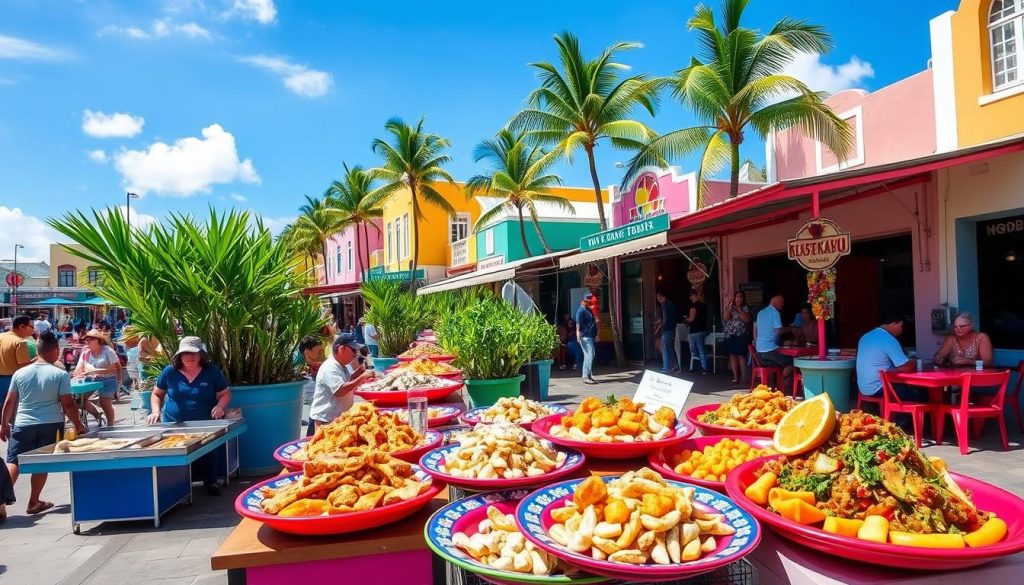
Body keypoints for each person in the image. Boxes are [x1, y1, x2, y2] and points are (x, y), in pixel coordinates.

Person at [1, 332, 87, 516]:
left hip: (22, 423)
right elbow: (68, 403)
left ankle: (1, 497)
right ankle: (33, 502)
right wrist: (78, 425)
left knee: (13, 461)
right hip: (50, 423)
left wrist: (4, 425)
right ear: (55, 351)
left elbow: (9, 402)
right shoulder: (59, 374)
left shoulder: (19, 373)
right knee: (41, 463)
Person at [147, 337, 231, 495]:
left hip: (205, 424)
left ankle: (210, 482)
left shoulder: (211, 371)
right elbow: (157, 394)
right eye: (185, 353)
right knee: (176, 454)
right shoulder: (169, 372)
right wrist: (155, 411)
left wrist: (220, 406)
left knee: (208, 453)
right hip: (174, 424)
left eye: (193, 353)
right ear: (179, 356)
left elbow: (224, 394)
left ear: (201, 355)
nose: (189, 357)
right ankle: (176, 488)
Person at [308, 333, 375, 434]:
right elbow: (340, 390)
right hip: (325, 422)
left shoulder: (341, 365)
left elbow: (346, 382)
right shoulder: (330, 367)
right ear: (342, 349)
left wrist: (357, 374)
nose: (355, 355)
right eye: (353, 350)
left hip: (336, 420)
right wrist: (362, 377)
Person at [856, 311, 917, 399]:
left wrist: (896, 368)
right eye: (901, 326)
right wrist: (914, 362)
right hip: (879, 387)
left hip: (863, 388)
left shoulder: (865, 337)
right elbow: (907, 368)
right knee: (920, 393)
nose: (901, 331)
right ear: (893, 323)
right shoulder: (889, 339)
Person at [72, 329, 122, 427]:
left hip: (108, 378)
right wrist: (78, 373)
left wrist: (118, 382)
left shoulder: (107, 350)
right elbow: (78, 369)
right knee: (79, 400)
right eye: (86, 339)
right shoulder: (86, 352)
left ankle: (111, 425)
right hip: (91, 379)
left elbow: (116, 368)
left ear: (98, 340)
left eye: (90, 339)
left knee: (104, 402)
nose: (87, 341)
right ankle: (97, 415)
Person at [753, 295, 794, 384]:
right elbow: (778, 331)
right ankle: (780, 382)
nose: (783, 305)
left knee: (776, 365)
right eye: (781, 302)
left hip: (759, 352)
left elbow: (757, 329)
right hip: (769, 350)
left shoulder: (761, 313)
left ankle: (772, 387)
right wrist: (790, 328)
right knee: (793, 362)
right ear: (776, 302)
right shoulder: (775, 313)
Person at [0, 316, 35, 415]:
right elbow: (24, 367)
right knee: (10, 413)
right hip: (11, 382)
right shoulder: (20, 342)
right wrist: (39, 359)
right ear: (22, 326)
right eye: (31, 326)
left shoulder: (1, 336)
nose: (33, 329)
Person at [722, 291, 752, 384]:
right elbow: (726, 318)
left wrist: (738, 310)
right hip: (730, 334)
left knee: (741, 355)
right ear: (734, 298)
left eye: (741, 297)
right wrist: (729, 308)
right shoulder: (730, 307)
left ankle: (744, 377)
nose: (739, 299)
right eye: (737, 297)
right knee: (732, 355)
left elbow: (746, 319)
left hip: (741, 334)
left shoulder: (745, 308)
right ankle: (735, 377)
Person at [575, 294, 598, 385]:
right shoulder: (580, 311)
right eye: (589, 302)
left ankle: (588, 374)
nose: (590, 303)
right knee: (589, 355)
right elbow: (578, 324)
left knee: (590, 355)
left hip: (590, 336)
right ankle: (586, 375)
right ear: (585, 301)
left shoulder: (588, 310)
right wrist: (578, 335)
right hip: (585, 336)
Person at [685, 290, 709, 375]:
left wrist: (685, 319)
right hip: (703, 330)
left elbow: (691, 319)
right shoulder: (703, 305)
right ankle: (704, 367)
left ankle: (694, 366)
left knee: (694, 350)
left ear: (692, 296)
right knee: (702, 349)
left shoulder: (693, 306)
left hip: (694, 330)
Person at [656, 292, 680, 374]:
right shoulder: (671, 304)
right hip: (672, 328)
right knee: (670, 347)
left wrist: (662, 327)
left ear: (662, 296)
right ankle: (675, 366)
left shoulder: (665, 305)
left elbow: (665, 318)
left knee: (665, 348)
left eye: (658, 298)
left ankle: (666, 367)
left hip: (667, 329)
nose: (658, 300)